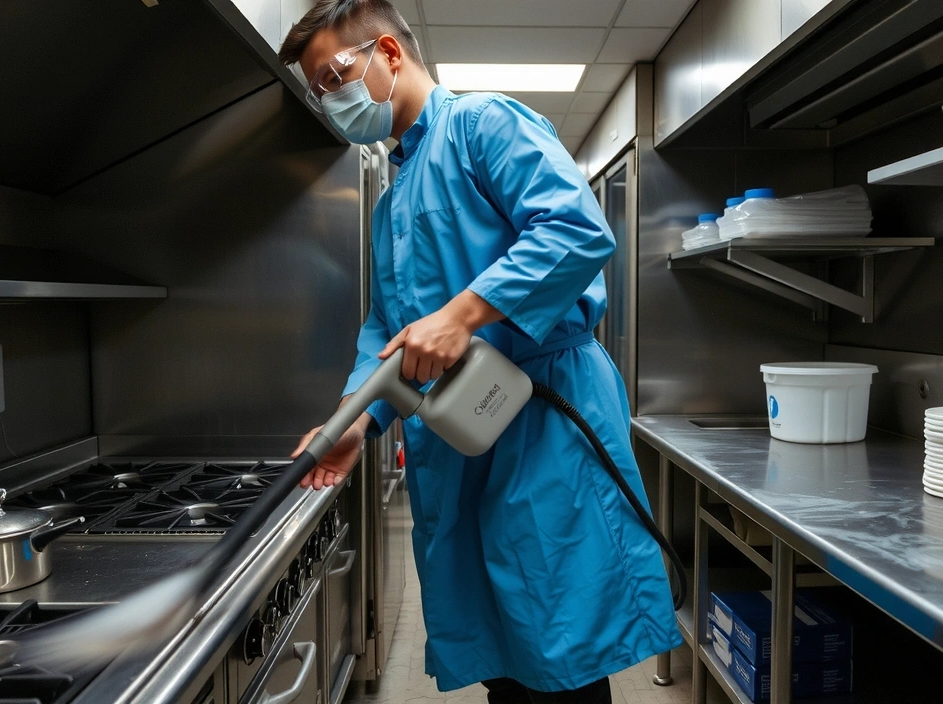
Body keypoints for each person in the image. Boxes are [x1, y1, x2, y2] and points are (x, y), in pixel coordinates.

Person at [279, 2, 682, 702]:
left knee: (559, 663)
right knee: (506, 660)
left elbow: (576, 230)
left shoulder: (483, 124)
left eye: (332, 76)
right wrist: (354, 423)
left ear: (388, 53)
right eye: (318, 90)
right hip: (463, 437)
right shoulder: (394, 197)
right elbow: (387, 332)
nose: (328, 100)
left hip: (544, 427)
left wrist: (464, 316)